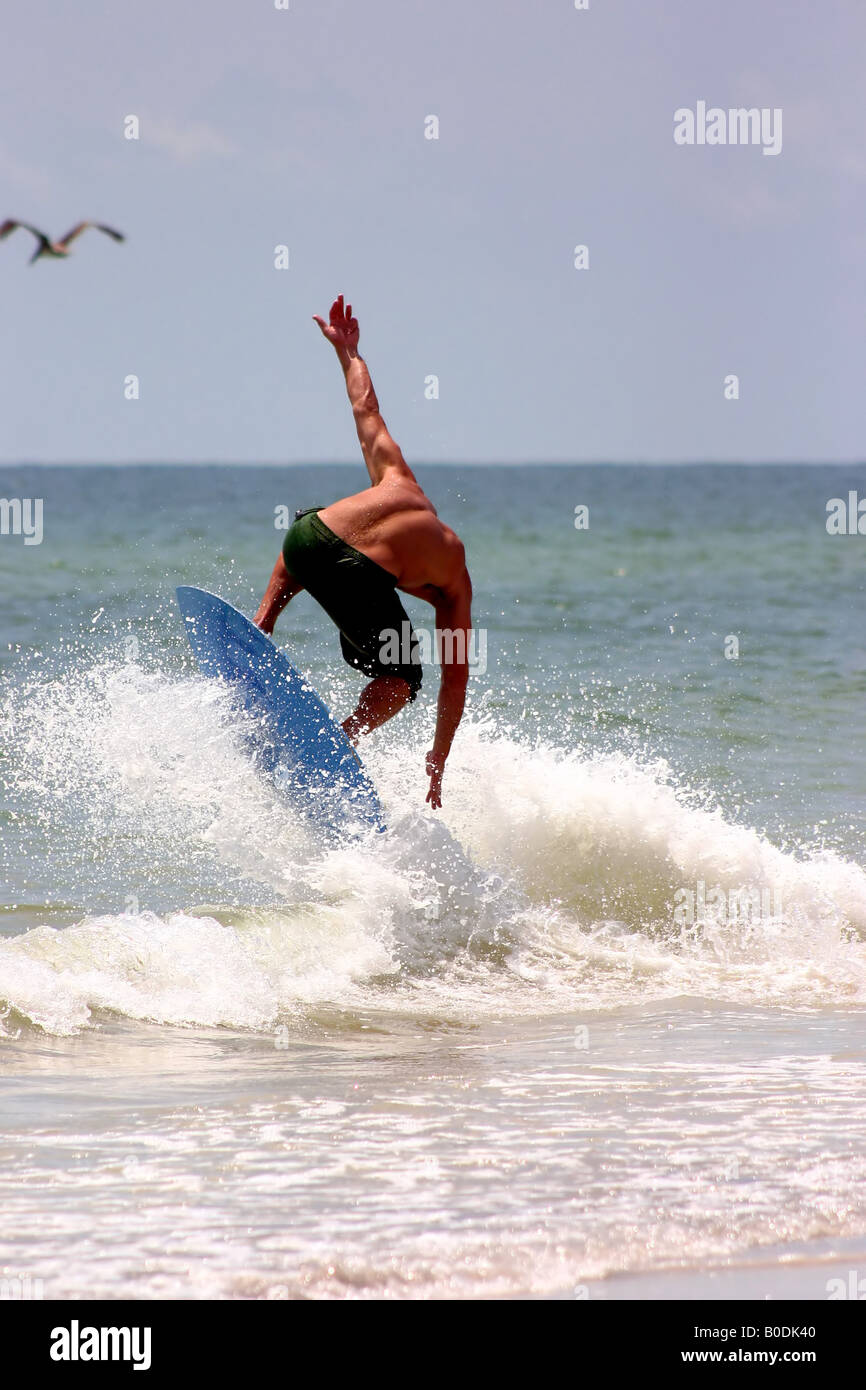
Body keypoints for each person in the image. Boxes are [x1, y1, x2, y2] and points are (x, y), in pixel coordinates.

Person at [254, 296, 473, 810]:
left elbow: (366, 409)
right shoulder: (454, 583)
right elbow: (454, 680)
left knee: (315, 526)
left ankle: (263, 620)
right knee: (403, 676)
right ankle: (344, 737)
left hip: (304, 539)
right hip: (351, 571)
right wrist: (437, 765)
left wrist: (348, 352)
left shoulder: (395, 475)